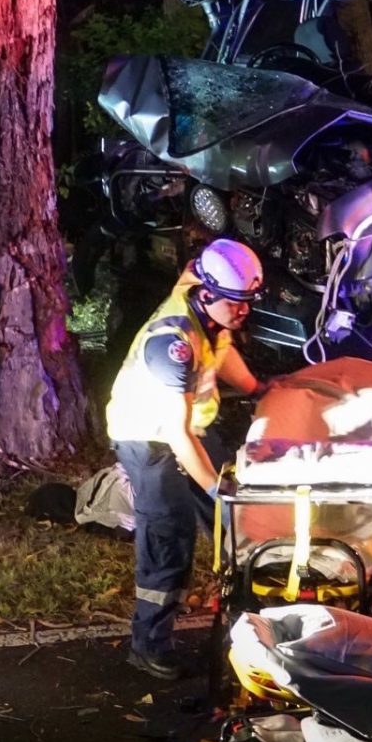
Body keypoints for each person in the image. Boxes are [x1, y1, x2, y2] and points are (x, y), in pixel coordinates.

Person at [105, 237, 265, 680]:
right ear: (209, 294)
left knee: (231, 521)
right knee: (169, 533)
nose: (243, 312)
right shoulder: (171, 343)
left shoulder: (211, 300)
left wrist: (256, 389)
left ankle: (245, 617)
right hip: (149, 439)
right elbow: (174, 433)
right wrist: (216, 485)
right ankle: (149, 643)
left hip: (190, 429)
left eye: (248, 303)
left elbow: (223, 349)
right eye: (237, 303)